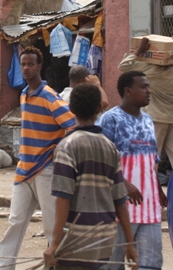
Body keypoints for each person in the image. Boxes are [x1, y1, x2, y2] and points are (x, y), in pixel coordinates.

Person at [0, 46, 76, 270]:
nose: (26, 68)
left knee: (51, 227)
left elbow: (73, 125)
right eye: (23, 64)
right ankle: (1, 266)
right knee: (15, 222)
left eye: (31, 64)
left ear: (40, 66)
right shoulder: (23, 94)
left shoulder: (49, 96)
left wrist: (57, 150)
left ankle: (61, 265)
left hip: (46, 170)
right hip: (24, 170)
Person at [43, 83, 139, 270]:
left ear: (70, 109)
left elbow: (63, 198)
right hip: (103, 241)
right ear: (98, 109)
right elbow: (120, 200)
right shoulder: (110, 147)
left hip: (75, 241)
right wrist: (130, 244)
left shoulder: (67, 146)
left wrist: (54, 244)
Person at [99, 71, 168, 270]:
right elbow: (102, 161)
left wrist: (159, 192)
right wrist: (124, 183)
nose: (149, 91)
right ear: (128, 91)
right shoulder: (110, 120)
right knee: (113, 264)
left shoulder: (148, 120)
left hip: (148, 208)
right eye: (144, 87)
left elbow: (151, 161)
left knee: (151, 263)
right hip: (119, 209)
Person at [119, 37, 173, 166]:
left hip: (156, 119)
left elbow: (124, 66)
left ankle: (150, 185)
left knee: (151, 159)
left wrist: (139, 50)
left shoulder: (149, 70)